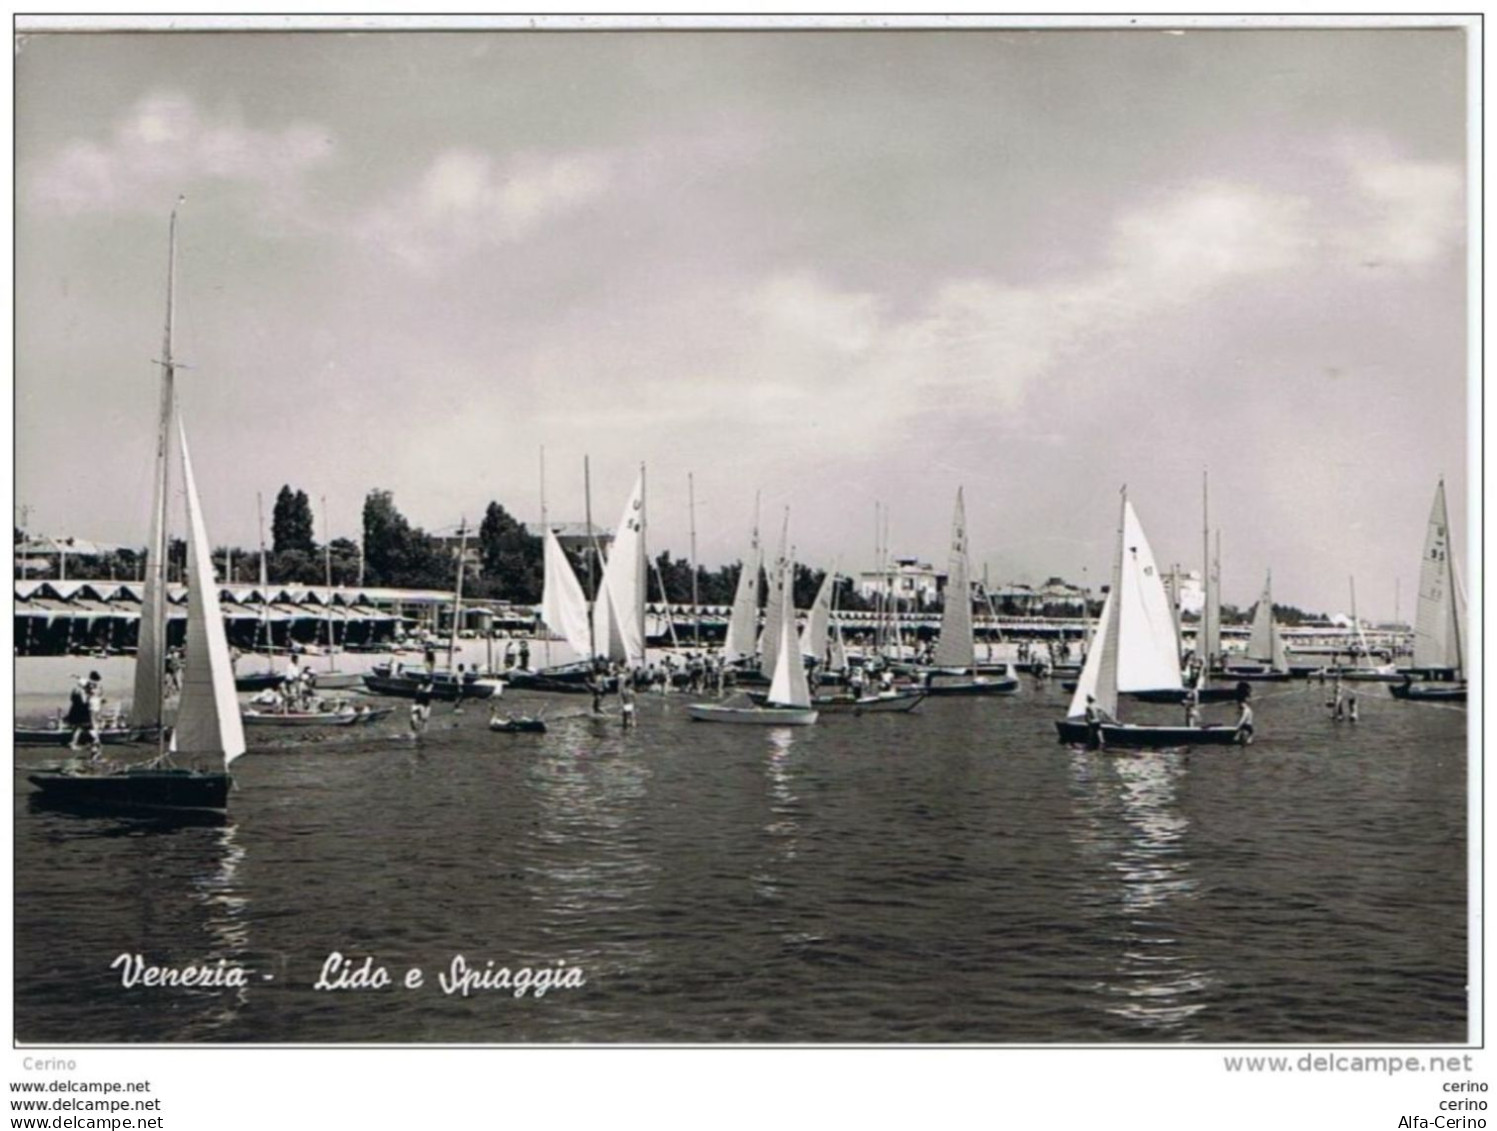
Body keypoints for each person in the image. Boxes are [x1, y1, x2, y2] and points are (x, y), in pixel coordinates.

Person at [65, 674, 93, 752]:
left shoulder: (75, 690)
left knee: (77, 728)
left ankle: (81, 742)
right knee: (81, 728)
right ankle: (74, 743)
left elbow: (72, 699)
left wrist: (76, 676)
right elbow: (84, 702)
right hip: (81, 712)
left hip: (74, 710)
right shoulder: (82, 692)